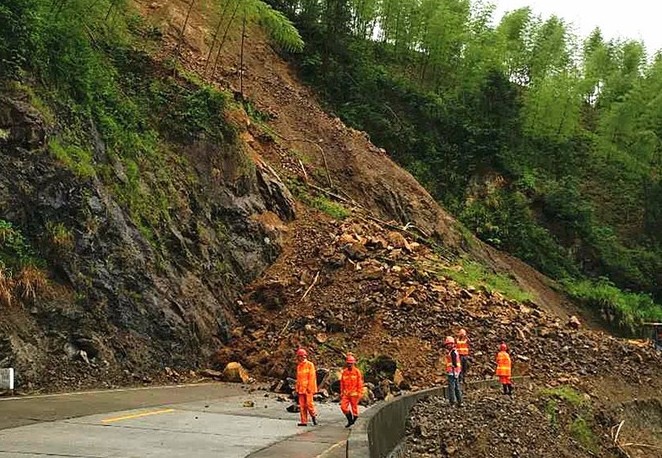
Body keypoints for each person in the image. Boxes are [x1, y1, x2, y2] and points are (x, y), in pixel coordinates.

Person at [295, 348, 318, 426]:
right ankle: (303, 421)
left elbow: (312, 377)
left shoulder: (310, 365)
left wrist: (310, 387)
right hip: (301, 389)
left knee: (309, 405)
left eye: (300, 357)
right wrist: (297, 388)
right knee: (302, 406)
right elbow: (298, 378)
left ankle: (313, 416)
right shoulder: (299, 366)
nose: (300, 358)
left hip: (308, 389)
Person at [340, 354, 363, 428]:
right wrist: (341, 392)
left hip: (354, 393)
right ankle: (350, 420)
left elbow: (360, 383)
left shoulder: (357, 372)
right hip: (346, 393)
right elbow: (342, 383)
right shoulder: (344, 372)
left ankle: (354, 419)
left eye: (351, 363)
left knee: (354, 408)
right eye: (348, 363)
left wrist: (359, 392)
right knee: (343, 407)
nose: (349, 365)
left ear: (353, 363)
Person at [444, 336, 462, 406]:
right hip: (456, 372)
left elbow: (454, 363)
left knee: (452, 387)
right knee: (457, 387)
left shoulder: (452, 352)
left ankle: (453, 402)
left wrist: (452, 367)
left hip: (452, 372)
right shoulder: (454, 351)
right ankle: (460, 402)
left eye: (448, 344)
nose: (447, 346)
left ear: (451, 344)